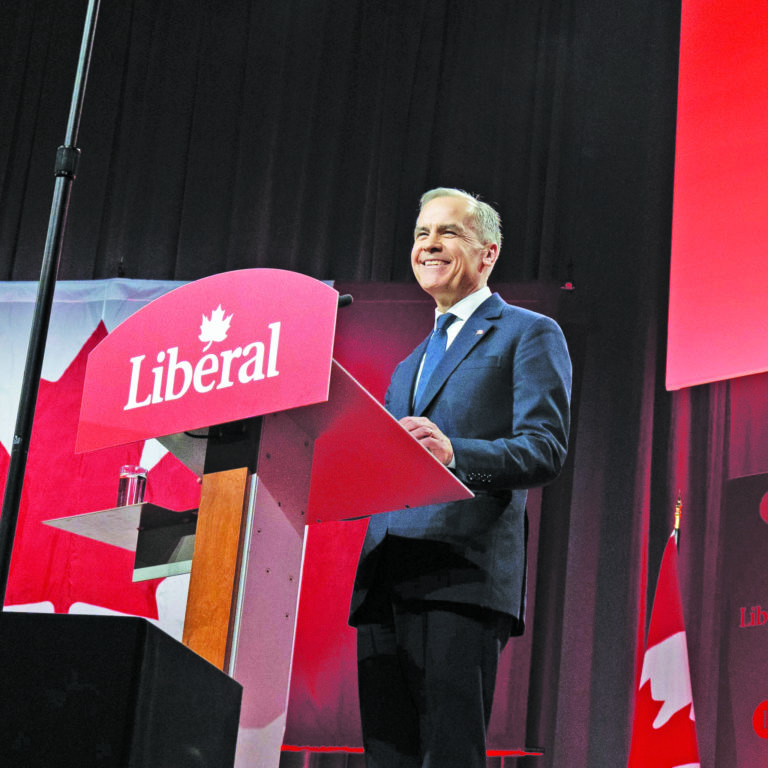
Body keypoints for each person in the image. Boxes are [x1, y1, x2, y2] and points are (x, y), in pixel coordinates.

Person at [348, 188, 572, 768]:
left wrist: (455, 452)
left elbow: (544, 449)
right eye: (421, 234)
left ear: (487, 253)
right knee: (388, 756)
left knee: (449, 753)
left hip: (458, 573)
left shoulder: (528, 333)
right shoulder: (407, 365)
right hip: (384, 578)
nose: (429, 245)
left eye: (447, 232)